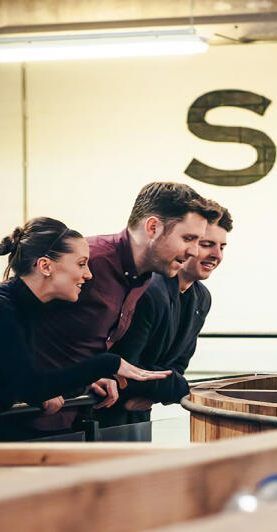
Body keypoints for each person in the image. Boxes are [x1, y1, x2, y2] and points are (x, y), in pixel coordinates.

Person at [0, 217, 170, 438]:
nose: (88, 274)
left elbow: (23, 379)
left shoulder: (24, 309)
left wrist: (84, 383)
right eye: (81, 264)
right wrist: (108, 363)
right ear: (45, 266)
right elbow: (31, 387)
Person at [31, 182, 220, 430]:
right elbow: (2, 309)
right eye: (188, 239)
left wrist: (87, 379)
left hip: (69, 421)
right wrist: (28, 385)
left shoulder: (140, 278)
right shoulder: (93, 260)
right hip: (20, 420)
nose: (194, 251)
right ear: (153, 228)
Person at [103, 201, 232, 426]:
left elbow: (179, 364)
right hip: (103, 412)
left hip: (140, 413)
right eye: (206, 244)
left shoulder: (202, 296)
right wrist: (174, 387)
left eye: (222, 247)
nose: (216, 255)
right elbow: (126, 368)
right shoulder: (148, 290)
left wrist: (157, 391)